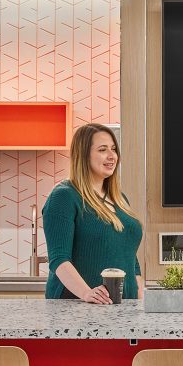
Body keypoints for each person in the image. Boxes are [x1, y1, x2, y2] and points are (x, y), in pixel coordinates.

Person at [43, 123, 144, 303]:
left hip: (123, 307)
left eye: (114, 149)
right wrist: (86, 293)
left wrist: (140, 299)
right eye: (102, 150)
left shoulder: (120, 199)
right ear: (83, 155)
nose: (112, 156)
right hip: (78, 309)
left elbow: (130, 258)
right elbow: (59, 259)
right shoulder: (64, 196)